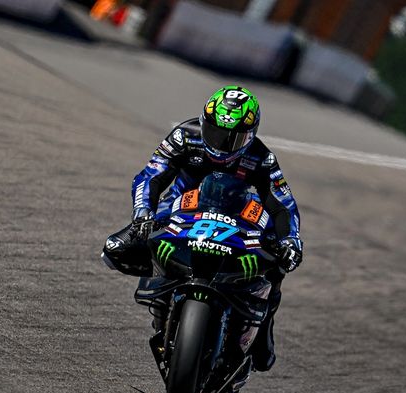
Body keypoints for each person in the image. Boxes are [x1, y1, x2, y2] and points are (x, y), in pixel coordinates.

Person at [104, 85, 303, 372]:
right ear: (203, 121)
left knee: (279, 261)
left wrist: (290, 240)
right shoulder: (184, 136)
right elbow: (150, 176)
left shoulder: (262, 158)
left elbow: (284, 205)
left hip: (237, 217)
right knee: (115, 249)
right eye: (215, 132)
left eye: (233, 138)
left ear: (250, 135)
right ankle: (161, 289)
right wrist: (142, 214)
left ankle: (262, 332)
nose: (222, 143)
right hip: (180, 208)